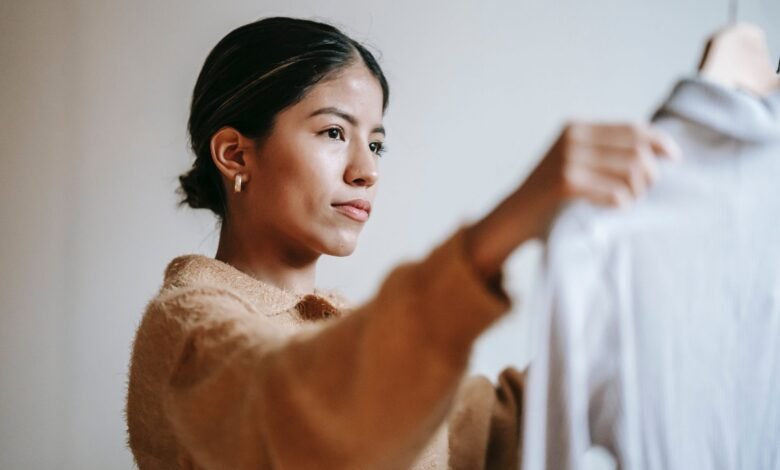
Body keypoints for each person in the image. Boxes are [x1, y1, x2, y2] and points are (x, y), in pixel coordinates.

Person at [124, 16, 681, 470]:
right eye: (334, 133)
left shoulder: (355, 334)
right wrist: (502, 229)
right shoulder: (186, 329)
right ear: (236, 154)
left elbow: (488, 435)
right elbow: (307, 420)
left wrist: (627, 327)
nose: (367, 170)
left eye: (378, 143)